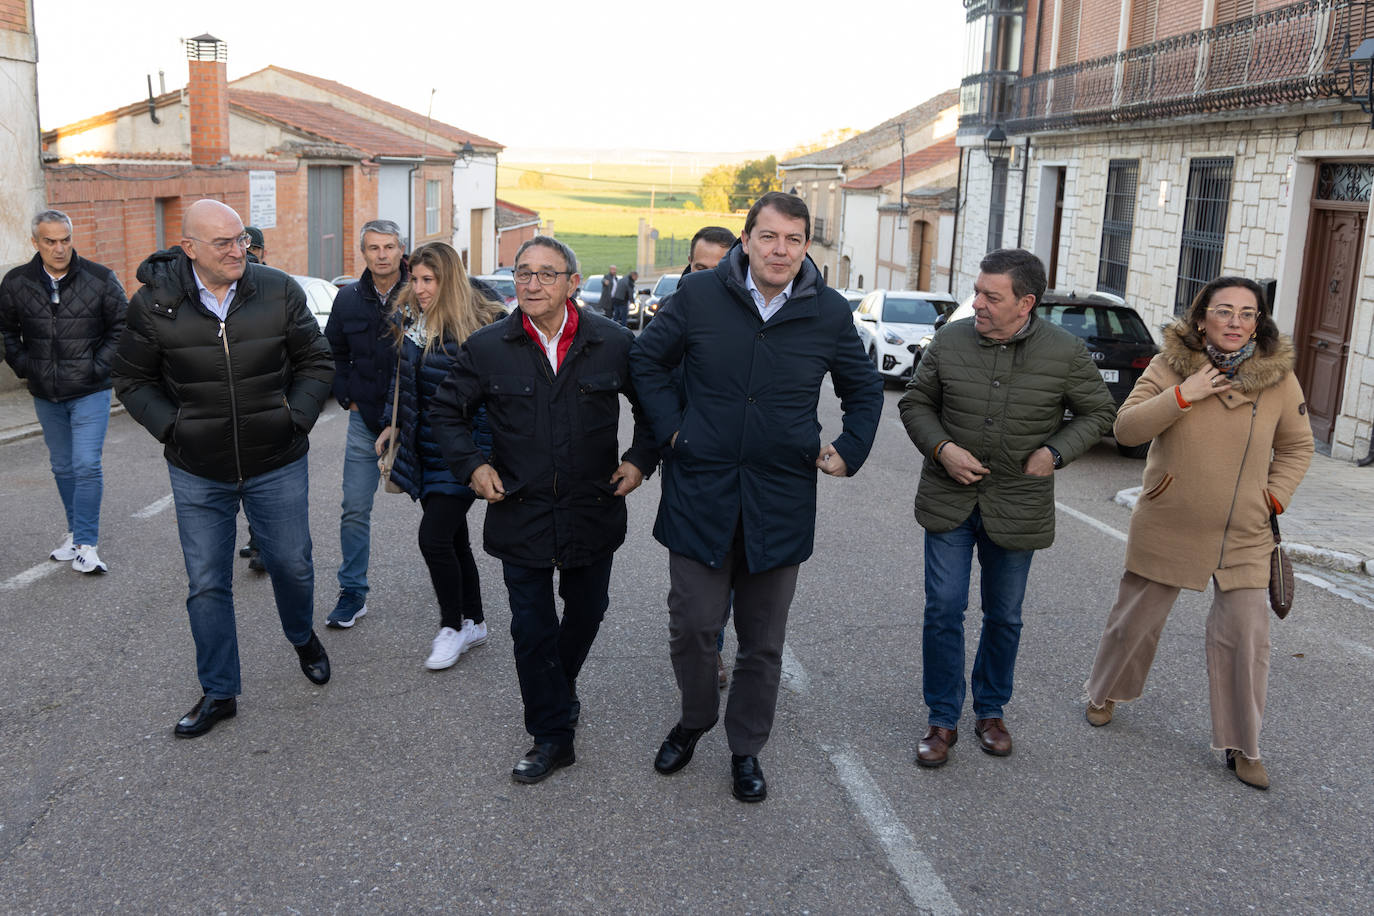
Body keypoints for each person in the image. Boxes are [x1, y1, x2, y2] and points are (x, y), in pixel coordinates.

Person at [630, 192, 884, 803]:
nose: (780, 250)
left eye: (794, 240)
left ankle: (746, 748)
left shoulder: (828, 310)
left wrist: (851, 447)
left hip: (780, 499)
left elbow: (864, 389)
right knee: (693, 626)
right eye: (769, 237)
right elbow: (645, 361)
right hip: (701, 491)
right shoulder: (699, 295)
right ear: (746, 240)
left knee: (763, 641)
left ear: (806, 247)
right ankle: (694, 720)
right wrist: (672, 430)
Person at [431, 235, 657, 784]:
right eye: (523, 273)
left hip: (592, 508)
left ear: (573, 283)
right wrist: (472, 466)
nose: (532, 284)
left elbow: (654, 407)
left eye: (546, 274)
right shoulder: (488, 347)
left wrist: (639, 460)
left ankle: (558, 688)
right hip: (521, 510)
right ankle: (551, 735)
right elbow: (445, 413)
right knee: (532, 629)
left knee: (587, 612)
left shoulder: (613, 342)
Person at [111, 198, 335, 738]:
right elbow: (132, 379)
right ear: (189, 248)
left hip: (277, 460)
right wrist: (174, 427)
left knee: (293, 564)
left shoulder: (277, 288)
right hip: (197, 468)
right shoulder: (153, 304)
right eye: (224, 243)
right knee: (207, 584)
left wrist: (295, 419)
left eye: (241, 239)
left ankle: (301, 636)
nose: (238, 251)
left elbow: (317, 360)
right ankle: (219, 691)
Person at [1083, 277, 1312, 790]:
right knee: (1135, 622)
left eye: (1247, 313)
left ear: (1259, 322)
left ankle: (1243, 744)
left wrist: (1274, 496)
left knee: (1247, 640)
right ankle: (1105, 691)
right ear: (1202, 318)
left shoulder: (1278, 379)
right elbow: (1126, 429)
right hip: (1171, 519)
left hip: (1246, 531)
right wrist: (1184, 395)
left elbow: (1298, 447)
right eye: (1224, 311)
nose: (1236, 322)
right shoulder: (1169, 367)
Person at [897, 248, 1115, 768]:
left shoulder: (1064, 352)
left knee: (1005, 616)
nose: (977, 303)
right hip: (949, 498)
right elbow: (914, 401)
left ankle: (991, 712)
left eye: (991, 297)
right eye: (977, 292)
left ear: (1026, 303)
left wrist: (1054, 453)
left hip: (1018, 503)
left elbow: (1099, 411)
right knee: (943, 608)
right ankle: (941, 718)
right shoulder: (950, 341)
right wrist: (942, 449)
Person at [374, 242, 505, 669]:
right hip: (423, 450)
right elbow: (404, 379)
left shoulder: (477, 328)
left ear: (448, 280)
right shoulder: (413, 320)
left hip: (460, 454)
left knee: (433, 539)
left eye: (428, 279)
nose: (419, 288)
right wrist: (393, 423)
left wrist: (479, 459)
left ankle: (452, 627)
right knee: (453, 540)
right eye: (414, 278)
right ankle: (475, 622)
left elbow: (488, 405)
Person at [1, 209, 127, 573]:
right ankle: (75, 534)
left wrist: (96, 367)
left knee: (86, 464)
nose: (59, 248)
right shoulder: (16, 282)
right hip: (45, 392)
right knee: (62, 466)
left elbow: (122, 326)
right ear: (35, 242)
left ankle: (87, 544)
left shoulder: (100, 278)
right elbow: (6, 330)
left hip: (90, 389)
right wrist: (25, 367)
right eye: (50, 241)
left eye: (65, 240)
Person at [322, 220, 410, 628]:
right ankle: (352, 592)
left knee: (442, 514)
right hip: (365, 421)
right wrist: (348, 397)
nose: (382, 254)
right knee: (354, 509)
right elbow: (333, 353)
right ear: (363, 253)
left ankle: (460, 605)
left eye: (389, 247)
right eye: (373, 248)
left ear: (401, 249)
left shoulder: (420, 292)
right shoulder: (348, 299)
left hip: (416, 422)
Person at [678, 225, 738, 689]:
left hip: (736, 460)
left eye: (718, 268)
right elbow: (650, 373)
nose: (709, 278)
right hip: (686, 458)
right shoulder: (678, 307)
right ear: (689, 267)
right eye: (700, 268)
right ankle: (697, 636)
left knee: (729, 563)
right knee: (696, 565)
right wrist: (671, 432)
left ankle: (711, 645)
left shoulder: (748, 313)